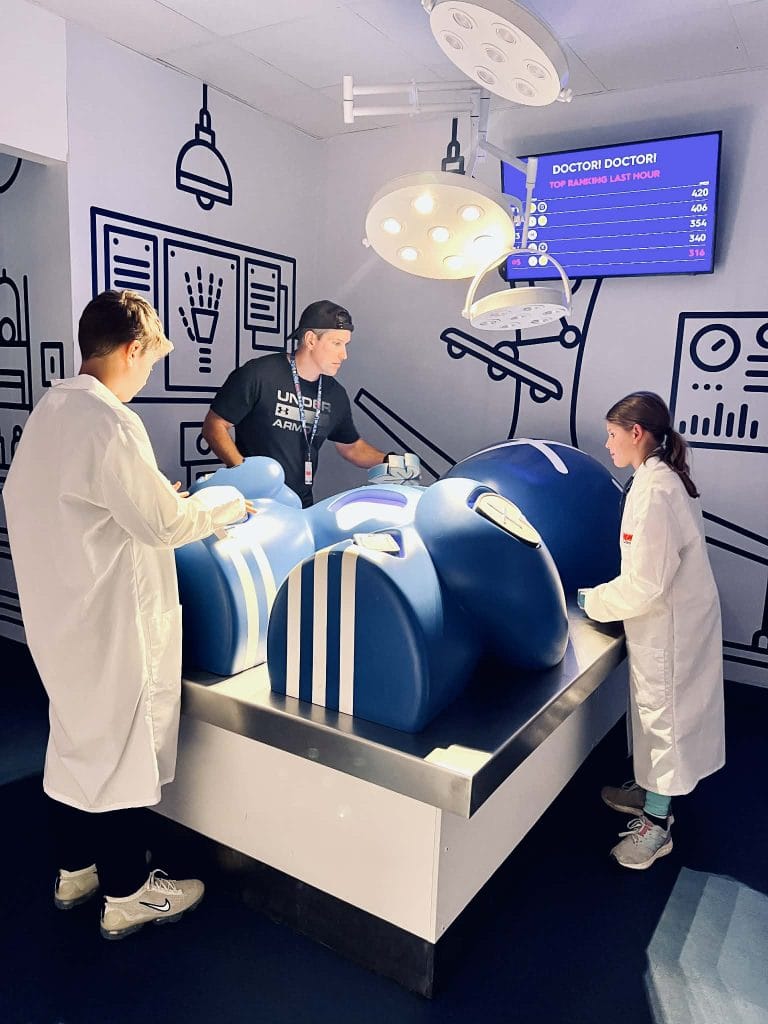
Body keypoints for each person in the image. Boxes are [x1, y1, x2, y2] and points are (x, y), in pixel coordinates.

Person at [3, 290, 249, 939]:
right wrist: (225, 509)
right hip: (111, 622)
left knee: (76, 744)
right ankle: (127, 893)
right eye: (149, 360)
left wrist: (146, 497)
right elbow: (164, 525)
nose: (146, 375)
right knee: (121, 753)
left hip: (61, 618)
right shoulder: (110, 420)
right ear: (134, 347)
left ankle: (75, 871)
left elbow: (79, 502)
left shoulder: (53, 411)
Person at [577, 391, 724, 870]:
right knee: (650, 712)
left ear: (636, 433)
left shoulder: (657, 491)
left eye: (612, 435)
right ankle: (647, 789)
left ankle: (657, 826)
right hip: (664, 622)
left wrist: (591, 600)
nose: (607, 444)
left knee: (663, 718)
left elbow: (645, 584)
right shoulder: (653, 479)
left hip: (669, 626)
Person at [202, 299, 416, 507]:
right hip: (252, 502)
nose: (344, 355)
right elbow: (215, 426)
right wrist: (243, 472)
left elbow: (351, 447)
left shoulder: (335, 393)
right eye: (337, 344)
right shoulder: (259, 374)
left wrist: (390, 460)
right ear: (311, 340)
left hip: (299, 508)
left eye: (346, 345)